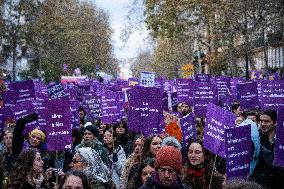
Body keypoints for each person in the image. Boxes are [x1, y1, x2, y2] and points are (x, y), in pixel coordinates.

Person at [250, 109, 284, 189]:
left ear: (275, 123)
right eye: (261, 121)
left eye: (266, 121)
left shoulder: (281, 140)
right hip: (261, 183)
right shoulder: (257, 138)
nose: (263, 124)